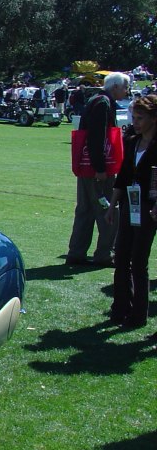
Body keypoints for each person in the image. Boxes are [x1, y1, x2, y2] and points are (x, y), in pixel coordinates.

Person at [67, 72, 130, 266]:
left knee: (85, 210)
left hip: (86, 167)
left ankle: (77, 252)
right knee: (108, 208)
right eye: (125, 87)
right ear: (116, 87)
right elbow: (98, 137)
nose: (127, 91)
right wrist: (100, 167)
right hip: (97, 168)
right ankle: (103, 254)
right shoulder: (103, 103)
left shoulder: (95, 100)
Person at [105, 95, 157, 327]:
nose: (135, 122)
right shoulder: (132, 141)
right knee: (121, 256)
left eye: (140, 117)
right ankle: (120, 307)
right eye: (133, 117)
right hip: (129, 204)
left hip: (149, 207)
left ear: (153, 118)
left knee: (138, 261)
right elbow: (124, 175)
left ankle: (138, 315)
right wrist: (113, 204)